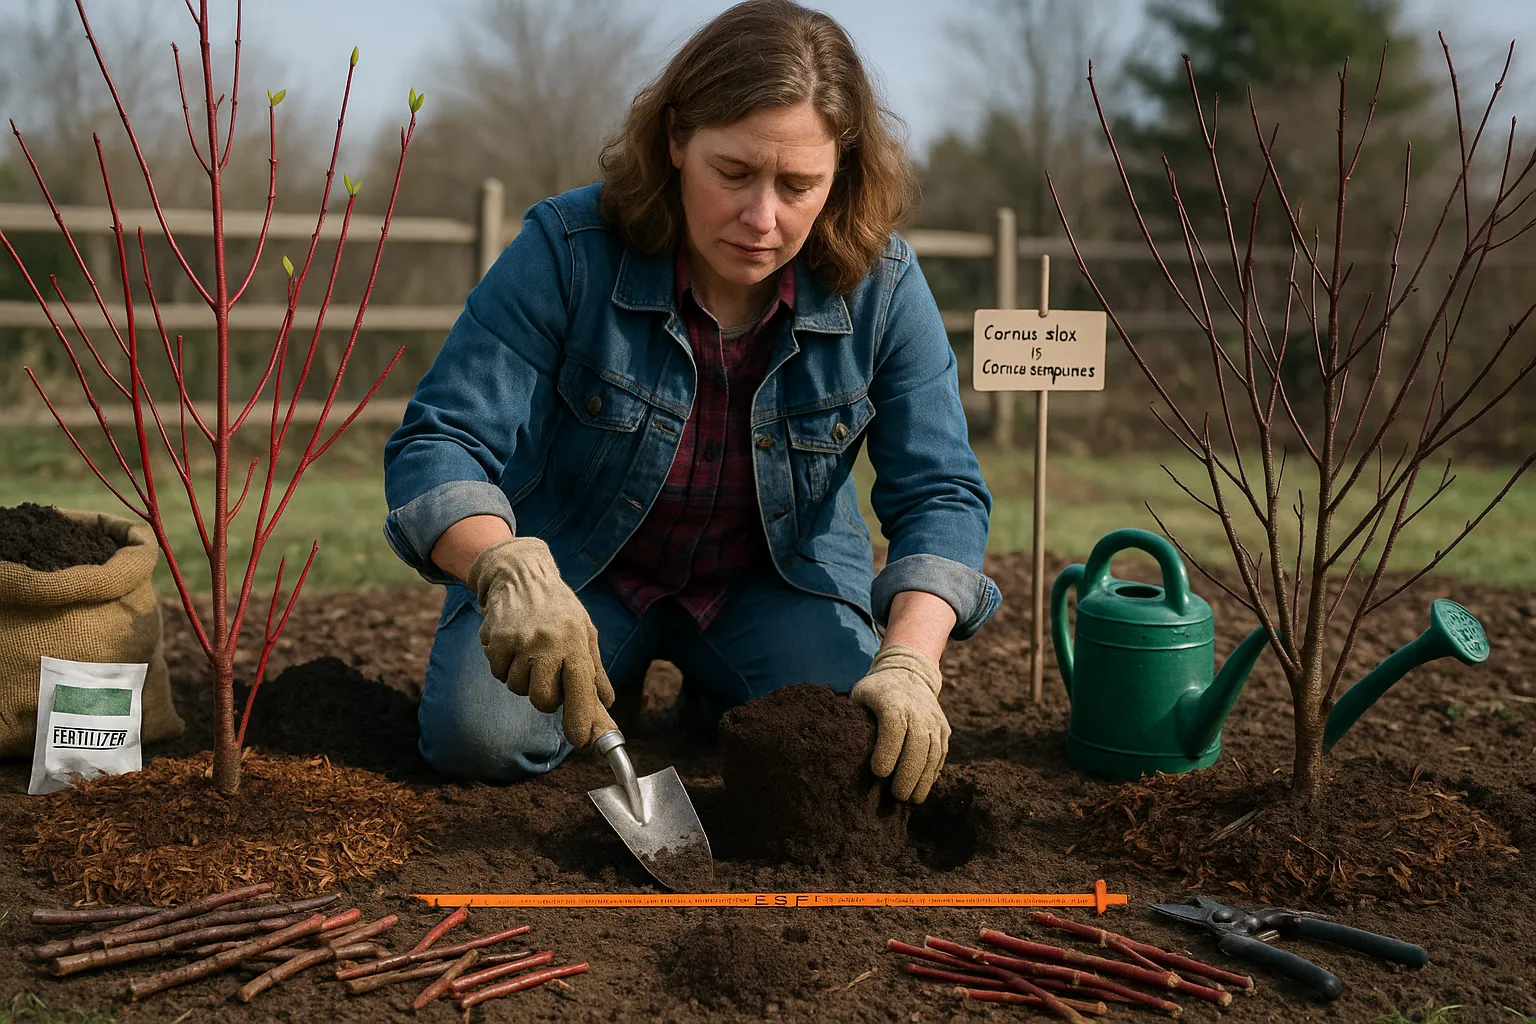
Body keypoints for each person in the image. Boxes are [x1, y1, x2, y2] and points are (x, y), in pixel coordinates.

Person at [382, 0, 999, 805]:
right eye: (734, 173)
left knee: (852, 751)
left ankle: (722, 688)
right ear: (676, 139)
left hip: (776, 586)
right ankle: (626, 668)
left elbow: (941, 490)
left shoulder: (885, 288)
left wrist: (912, 658)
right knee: (479, 737)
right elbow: (440, 439)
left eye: (799, 184)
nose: (762, 218)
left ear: (839, 172)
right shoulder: (566, 251)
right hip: (579, 578)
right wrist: (503, 565)